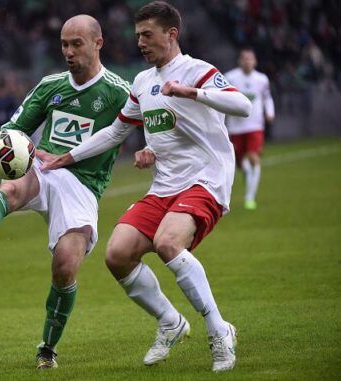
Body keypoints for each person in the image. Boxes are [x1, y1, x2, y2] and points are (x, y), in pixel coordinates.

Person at [41, 1, 252, 372]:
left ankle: (219, 329)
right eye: (138, 35)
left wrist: (193, 93)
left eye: (148, 35)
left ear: (171, 34)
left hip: (206, 179)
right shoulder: (142, 82)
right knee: (117, 254)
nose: (140, 42)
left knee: (168, 243)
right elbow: (118, 130)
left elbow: (242, 105)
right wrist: (69, 156)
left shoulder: (197, 70)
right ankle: (171, 323)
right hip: (165, 185)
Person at [0, 15, 132, 369]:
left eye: (76, 43)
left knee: (64, 267)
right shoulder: (50, 86)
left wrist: (153, 148)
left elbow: (151, 120)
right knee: (14, 186)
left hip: (83, 185)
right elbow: (13, 130)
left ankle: (48, 346)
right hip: (44, 168)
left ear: (98, 43)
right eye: (64, 44)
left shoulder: (118, 92)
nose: (68, 51)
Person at [225, 48, 275, 210]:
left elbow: (267, 98)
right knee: (242, 164)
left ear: (255, 61)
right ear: (240, 61)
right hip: (235, 127)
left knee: (253, 158)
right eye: (245, 59)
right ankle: (248, 181)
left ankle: (250, 197)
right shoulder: (230, 77)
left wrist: (270, 112)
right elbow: (223, 98)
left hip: (255, 125)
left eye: (250, 59)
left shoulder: (262, 79)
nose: (247, 62)